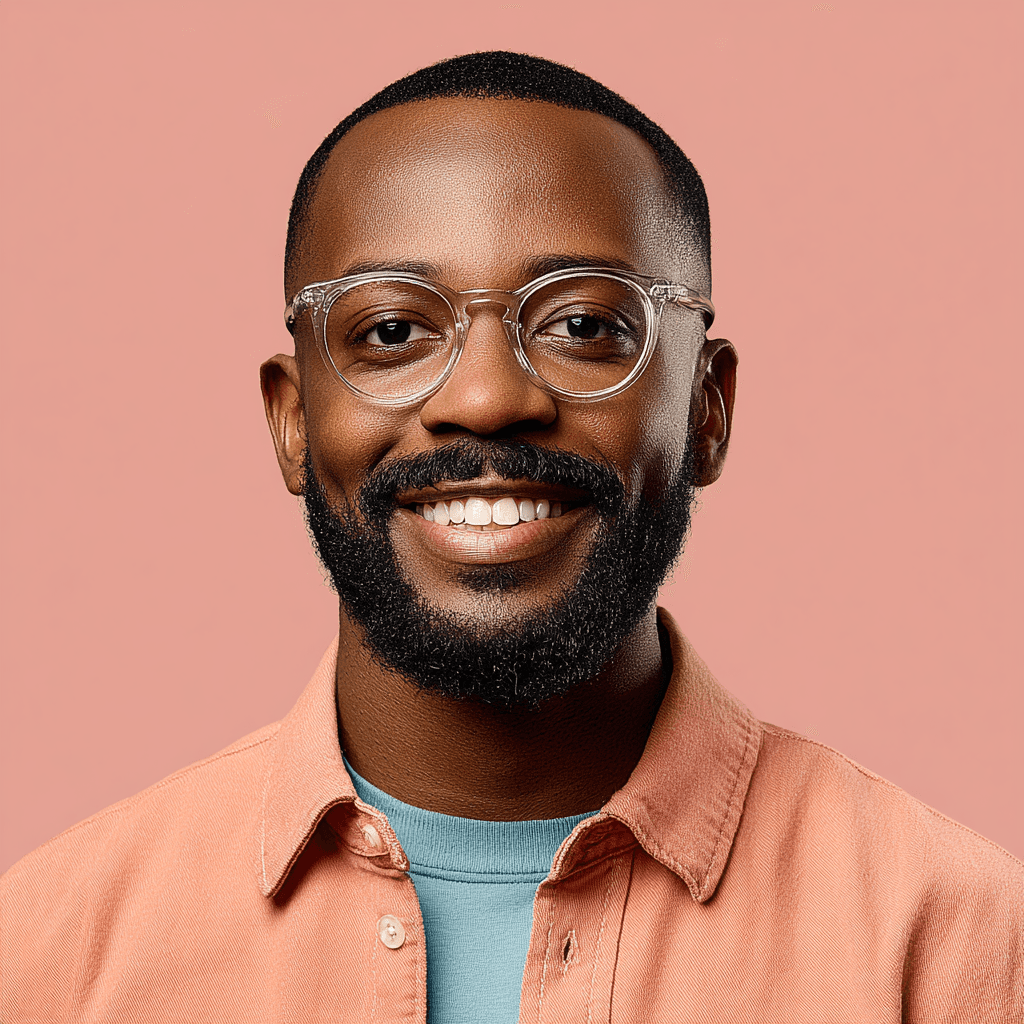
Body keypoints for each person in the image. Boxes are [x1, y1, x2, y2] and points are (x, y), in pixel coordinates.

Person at [2, 51, 1020, 1024]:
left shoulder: (960, 945)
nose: (487, 399)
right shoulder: (48, 953)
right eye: (392, 331)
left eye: (583, 326)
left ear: (707, 410)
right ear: (293, 421)